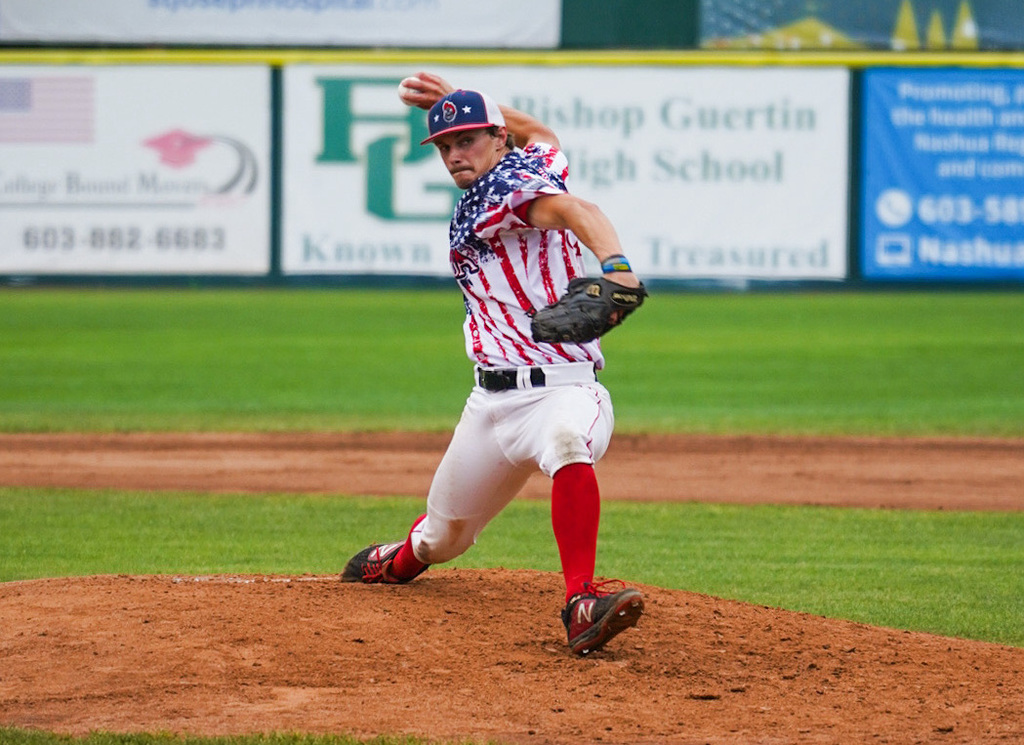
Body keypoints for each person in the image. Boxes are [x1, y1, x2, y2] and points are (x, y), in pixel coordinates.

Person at [342, 72, 645, 656]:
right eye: (446, 146)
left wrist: (617, 267)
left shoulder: (502, 191)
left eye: (468, 140)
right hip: (490, 405)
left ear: (498, 139)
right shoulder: (535, 160)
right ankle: (401, 560)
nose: (456, 155)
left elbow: (576, 209)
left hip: (563, 389)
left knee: (566, 443)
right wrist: (457, 102)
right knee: (440, 540)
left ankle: (581, 601)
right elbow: (542, 131)